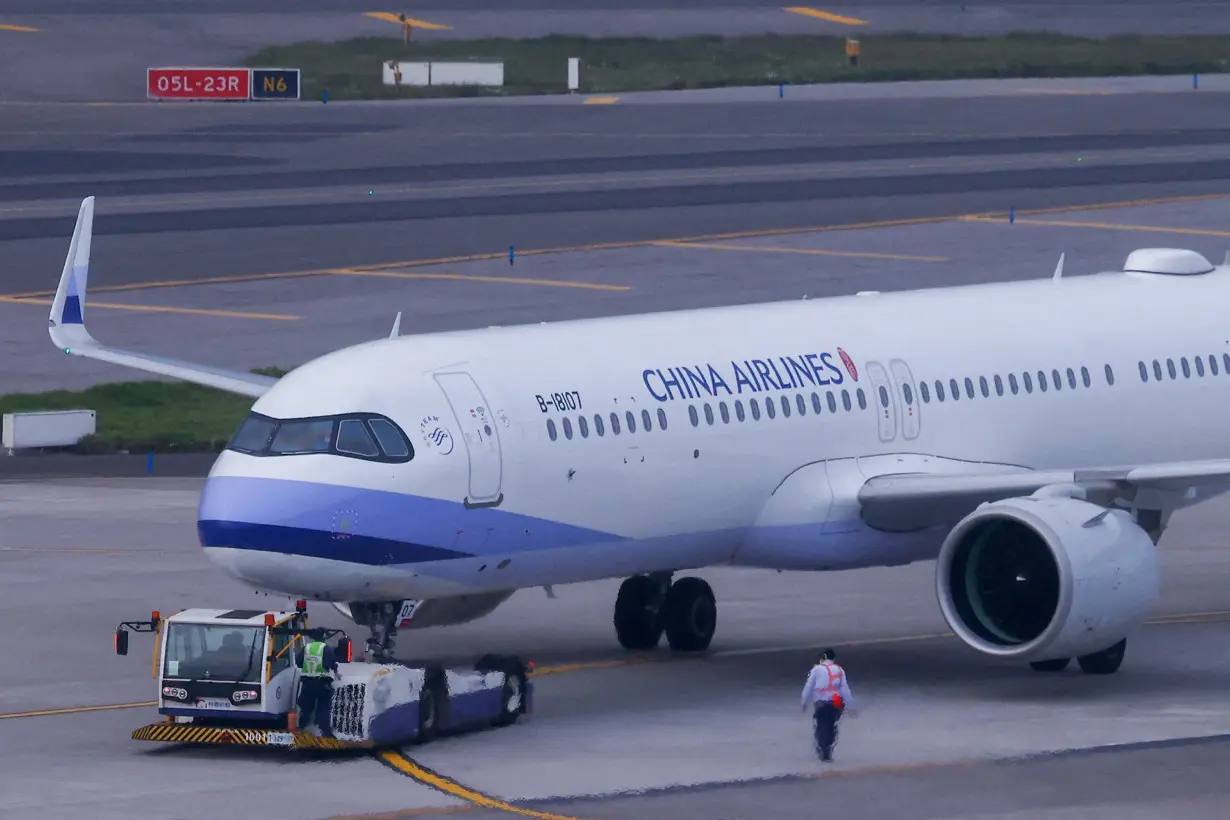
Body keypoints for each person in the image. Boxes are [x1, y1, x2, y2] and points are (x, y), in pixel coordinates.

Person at [801, 647, 855, 763]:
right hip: (836, 703)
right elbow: (845, 689)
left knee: (821, 725)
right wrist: (850, 706)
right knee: (832, 725)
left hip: (821, 703)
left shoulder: (817, 670)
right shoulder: (839, 670)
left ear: (823, 658)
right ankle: (829, 747)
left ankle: (822, 747)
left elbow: (809, 687)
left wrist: (804, 703)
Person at [295, 638, 340, 737]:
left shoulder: (307, 648)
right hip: (322, 683)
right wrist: (336, 672)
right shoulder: (326, 648)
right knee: (323, 707)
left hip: (307, 683)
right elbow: (331, 663)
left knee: (306, 707)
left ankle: (302, 729)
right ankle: (325, 732)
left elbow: (298, 662)